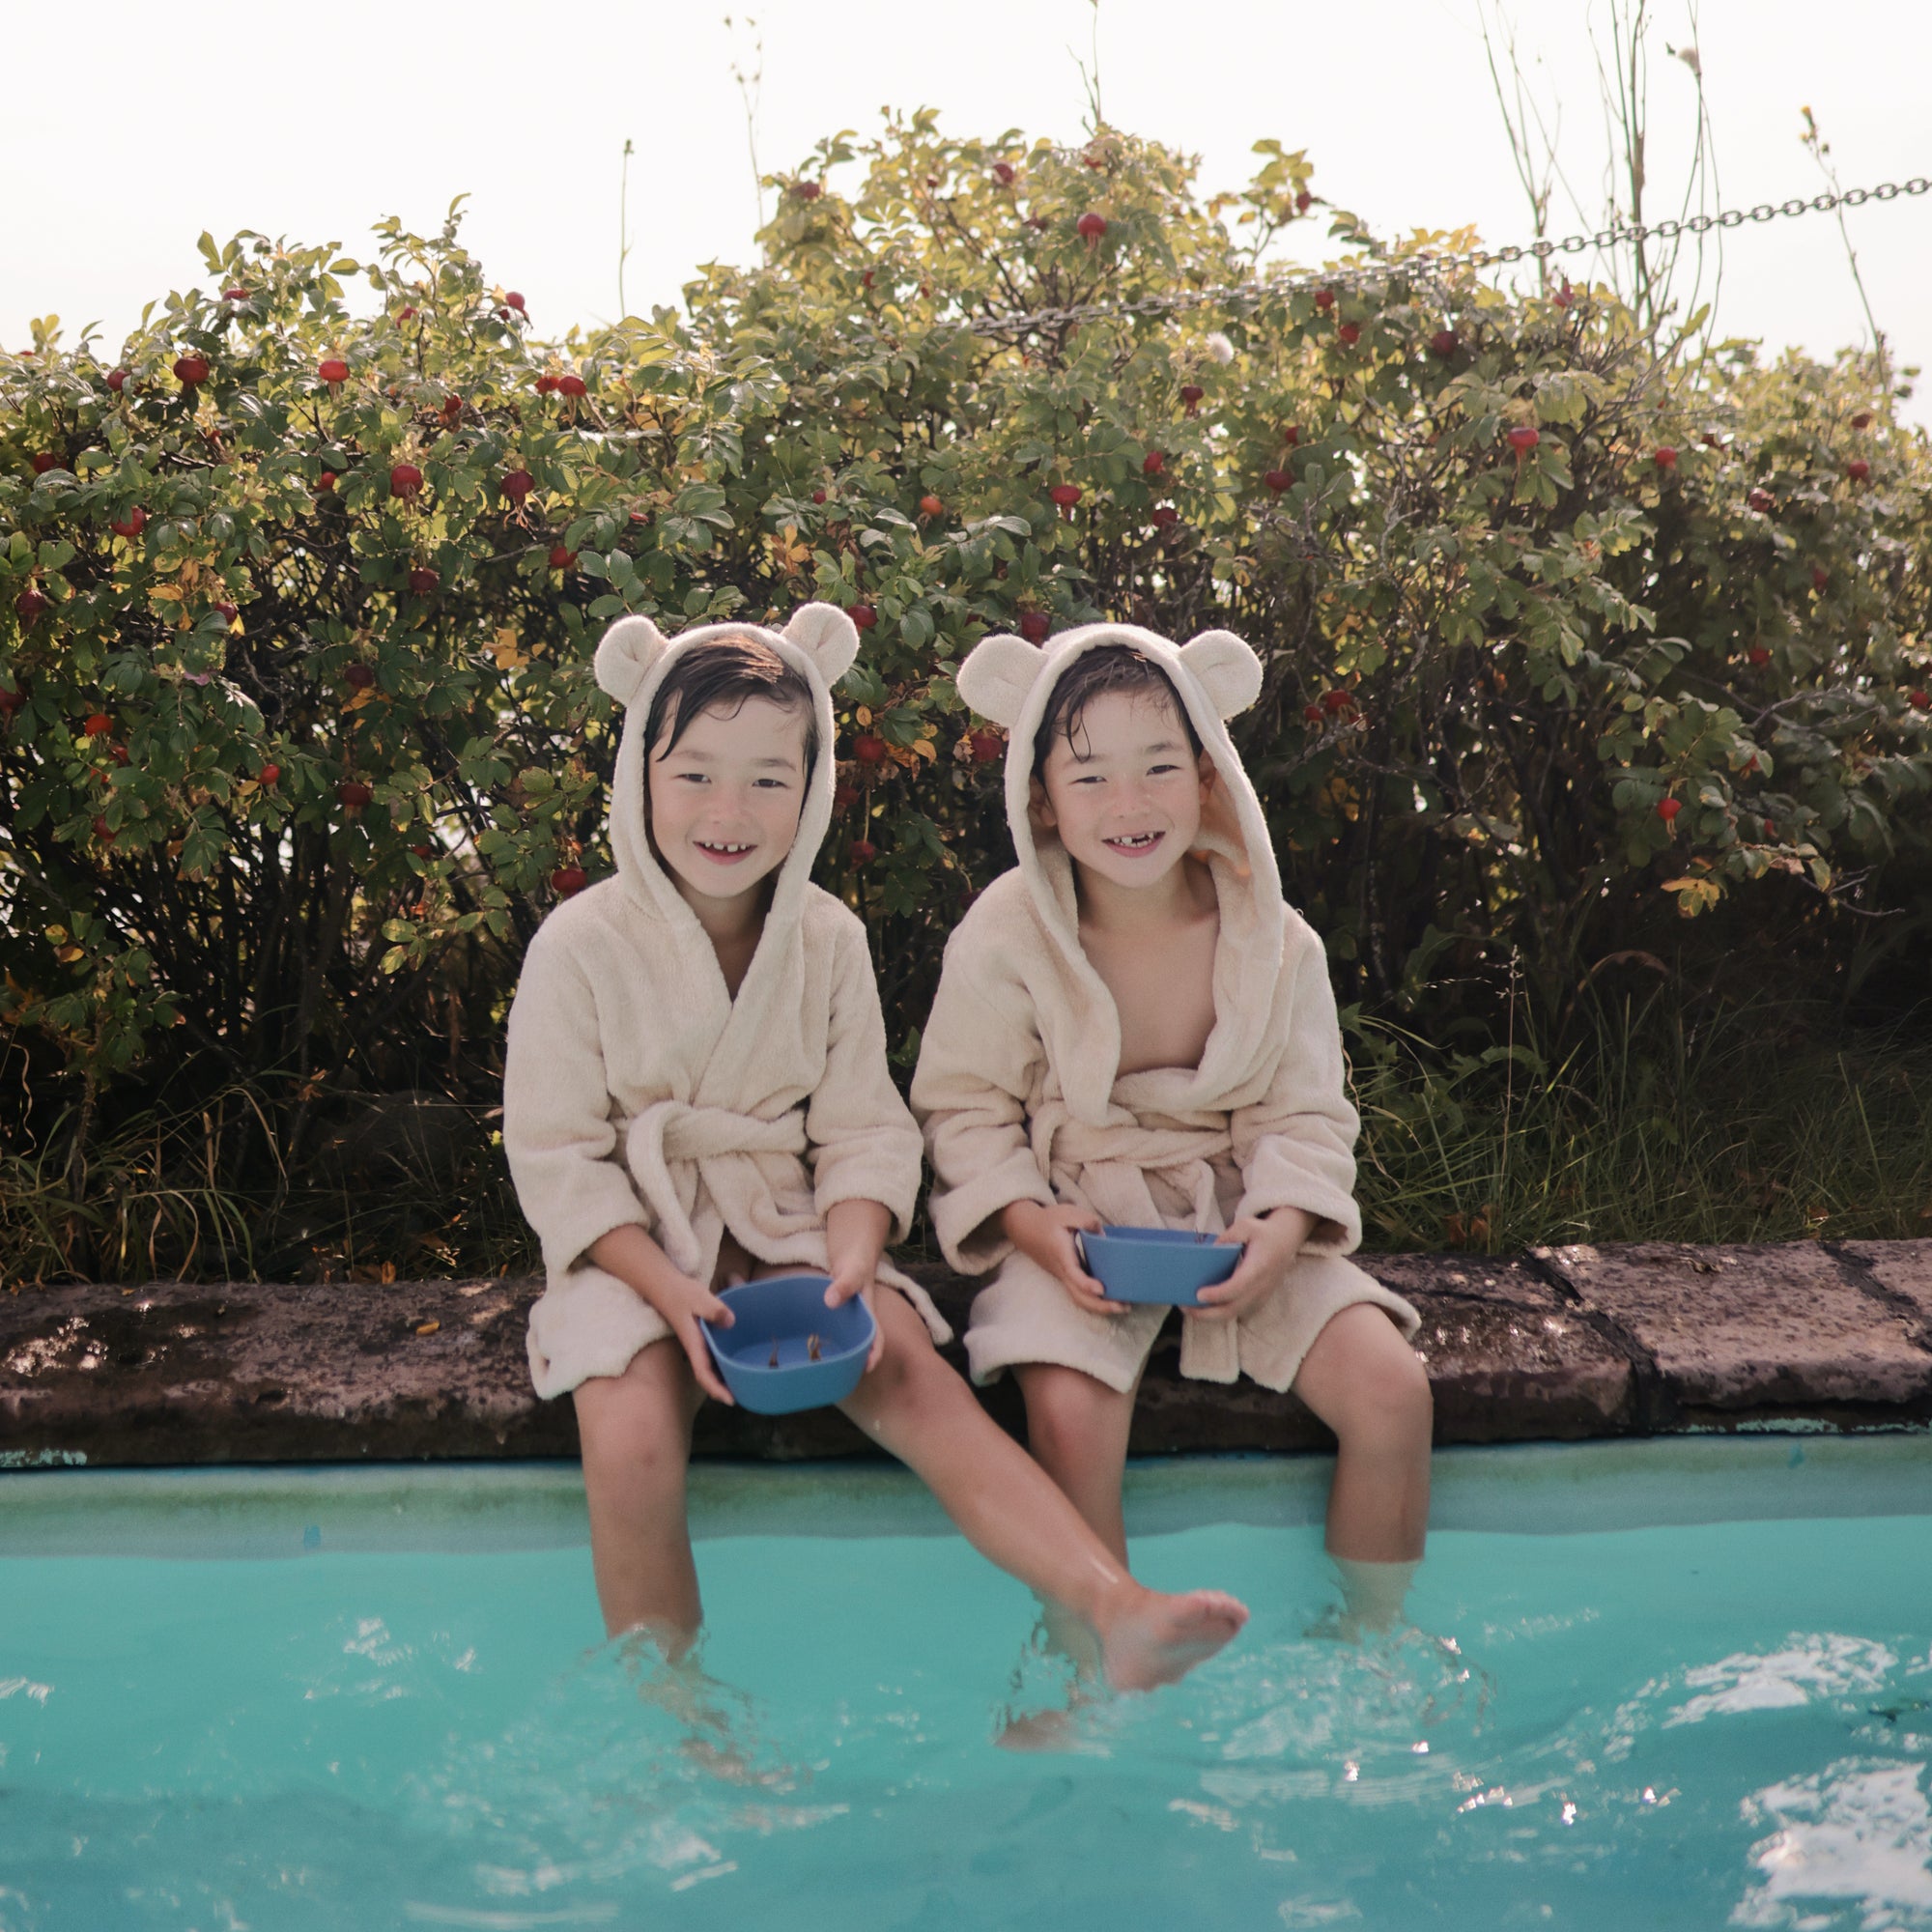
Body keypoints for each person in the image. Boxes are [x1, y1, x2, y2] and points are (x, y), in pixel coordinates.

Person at [501, 603, 1247, 1692]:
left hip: (782, 1221)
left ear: (810, 789)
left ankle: (1110, 1606)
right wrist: (666, 1288)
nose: (729, 809)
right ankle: (679, 1714)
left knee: (902, 1358)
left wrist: (853, 1252)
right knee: (628, 1433)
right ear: (636, 773)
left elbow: (860, 1128)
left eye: (768, 777)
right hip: (633, 1241)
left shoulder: (826, 939)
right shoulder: (578, 945)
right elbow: (558, 1154)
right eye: (695, 774)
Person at [912, 623, 1434, 1642]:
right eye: (1090, 775)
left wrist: (1280, 1229)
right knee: (1065, 1413)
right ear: (1040, 798)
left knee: (1392, 1390)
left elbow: (1303, 1109)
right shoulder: (1007, 932)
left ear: (1207, 775)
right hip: (1078, 1219)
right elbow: (964, 1107)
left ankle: (1370, 1639)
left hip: (1239, 1208)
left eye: (1158, 767)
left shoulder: (1271, 936)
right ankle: (1092, 1647)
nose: (1127, 804)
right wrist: (1030, 1228)